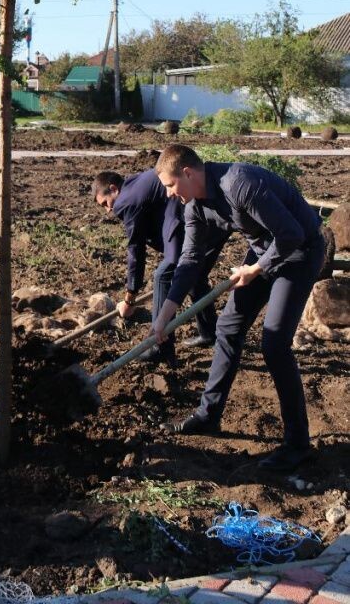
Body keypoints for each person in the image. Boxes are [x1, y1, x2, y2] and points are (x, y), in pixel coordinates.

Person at [153, 144, 324, 474]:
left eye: (170, 186)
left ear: (188, 173)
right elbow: (189, 262)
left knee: (274, 343)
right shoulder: (195, 207)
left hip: (300, 251)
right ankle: (208, 414)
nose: (170, 194)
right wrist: (164, 317)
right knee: (228, 326)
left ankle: (298, 445)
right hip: (264, 250)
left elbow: (292, 233)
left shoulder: (239, 183)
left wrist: (255, 269)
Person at [92, 169, 223, 363]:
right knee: (195, 277)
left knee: (163, 274)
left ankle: (160, 347)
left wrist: (130, 299)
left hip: (188, 221)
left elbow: (136, 250)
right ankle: (209, 332)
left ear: (113, 188)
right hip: (211, 221)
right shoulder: (136, 184)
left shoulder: (125, 201)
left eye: (105, 203)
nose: (109, 210)